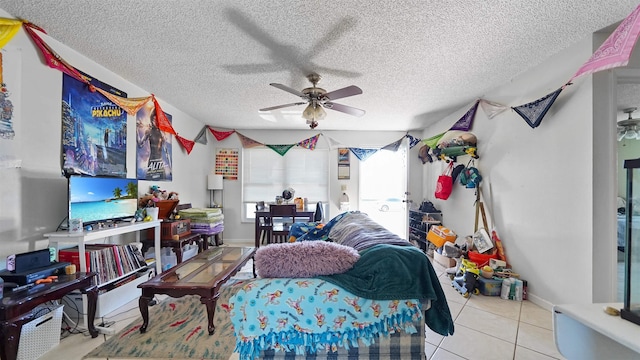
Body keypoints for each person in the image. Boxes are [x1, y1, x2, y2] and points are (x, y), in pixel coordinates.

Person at [137, 109, 169, 179]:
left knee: (163, 179)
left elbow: (166, 149)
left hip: (160, 162)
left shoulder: (161, 132)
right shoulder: (149, 131)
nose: (156, 121)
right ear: (152, 119)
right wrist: (136, 130)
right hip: (152, 161)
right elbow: (140, 144)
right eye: (154, 119)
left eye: (157, 120)